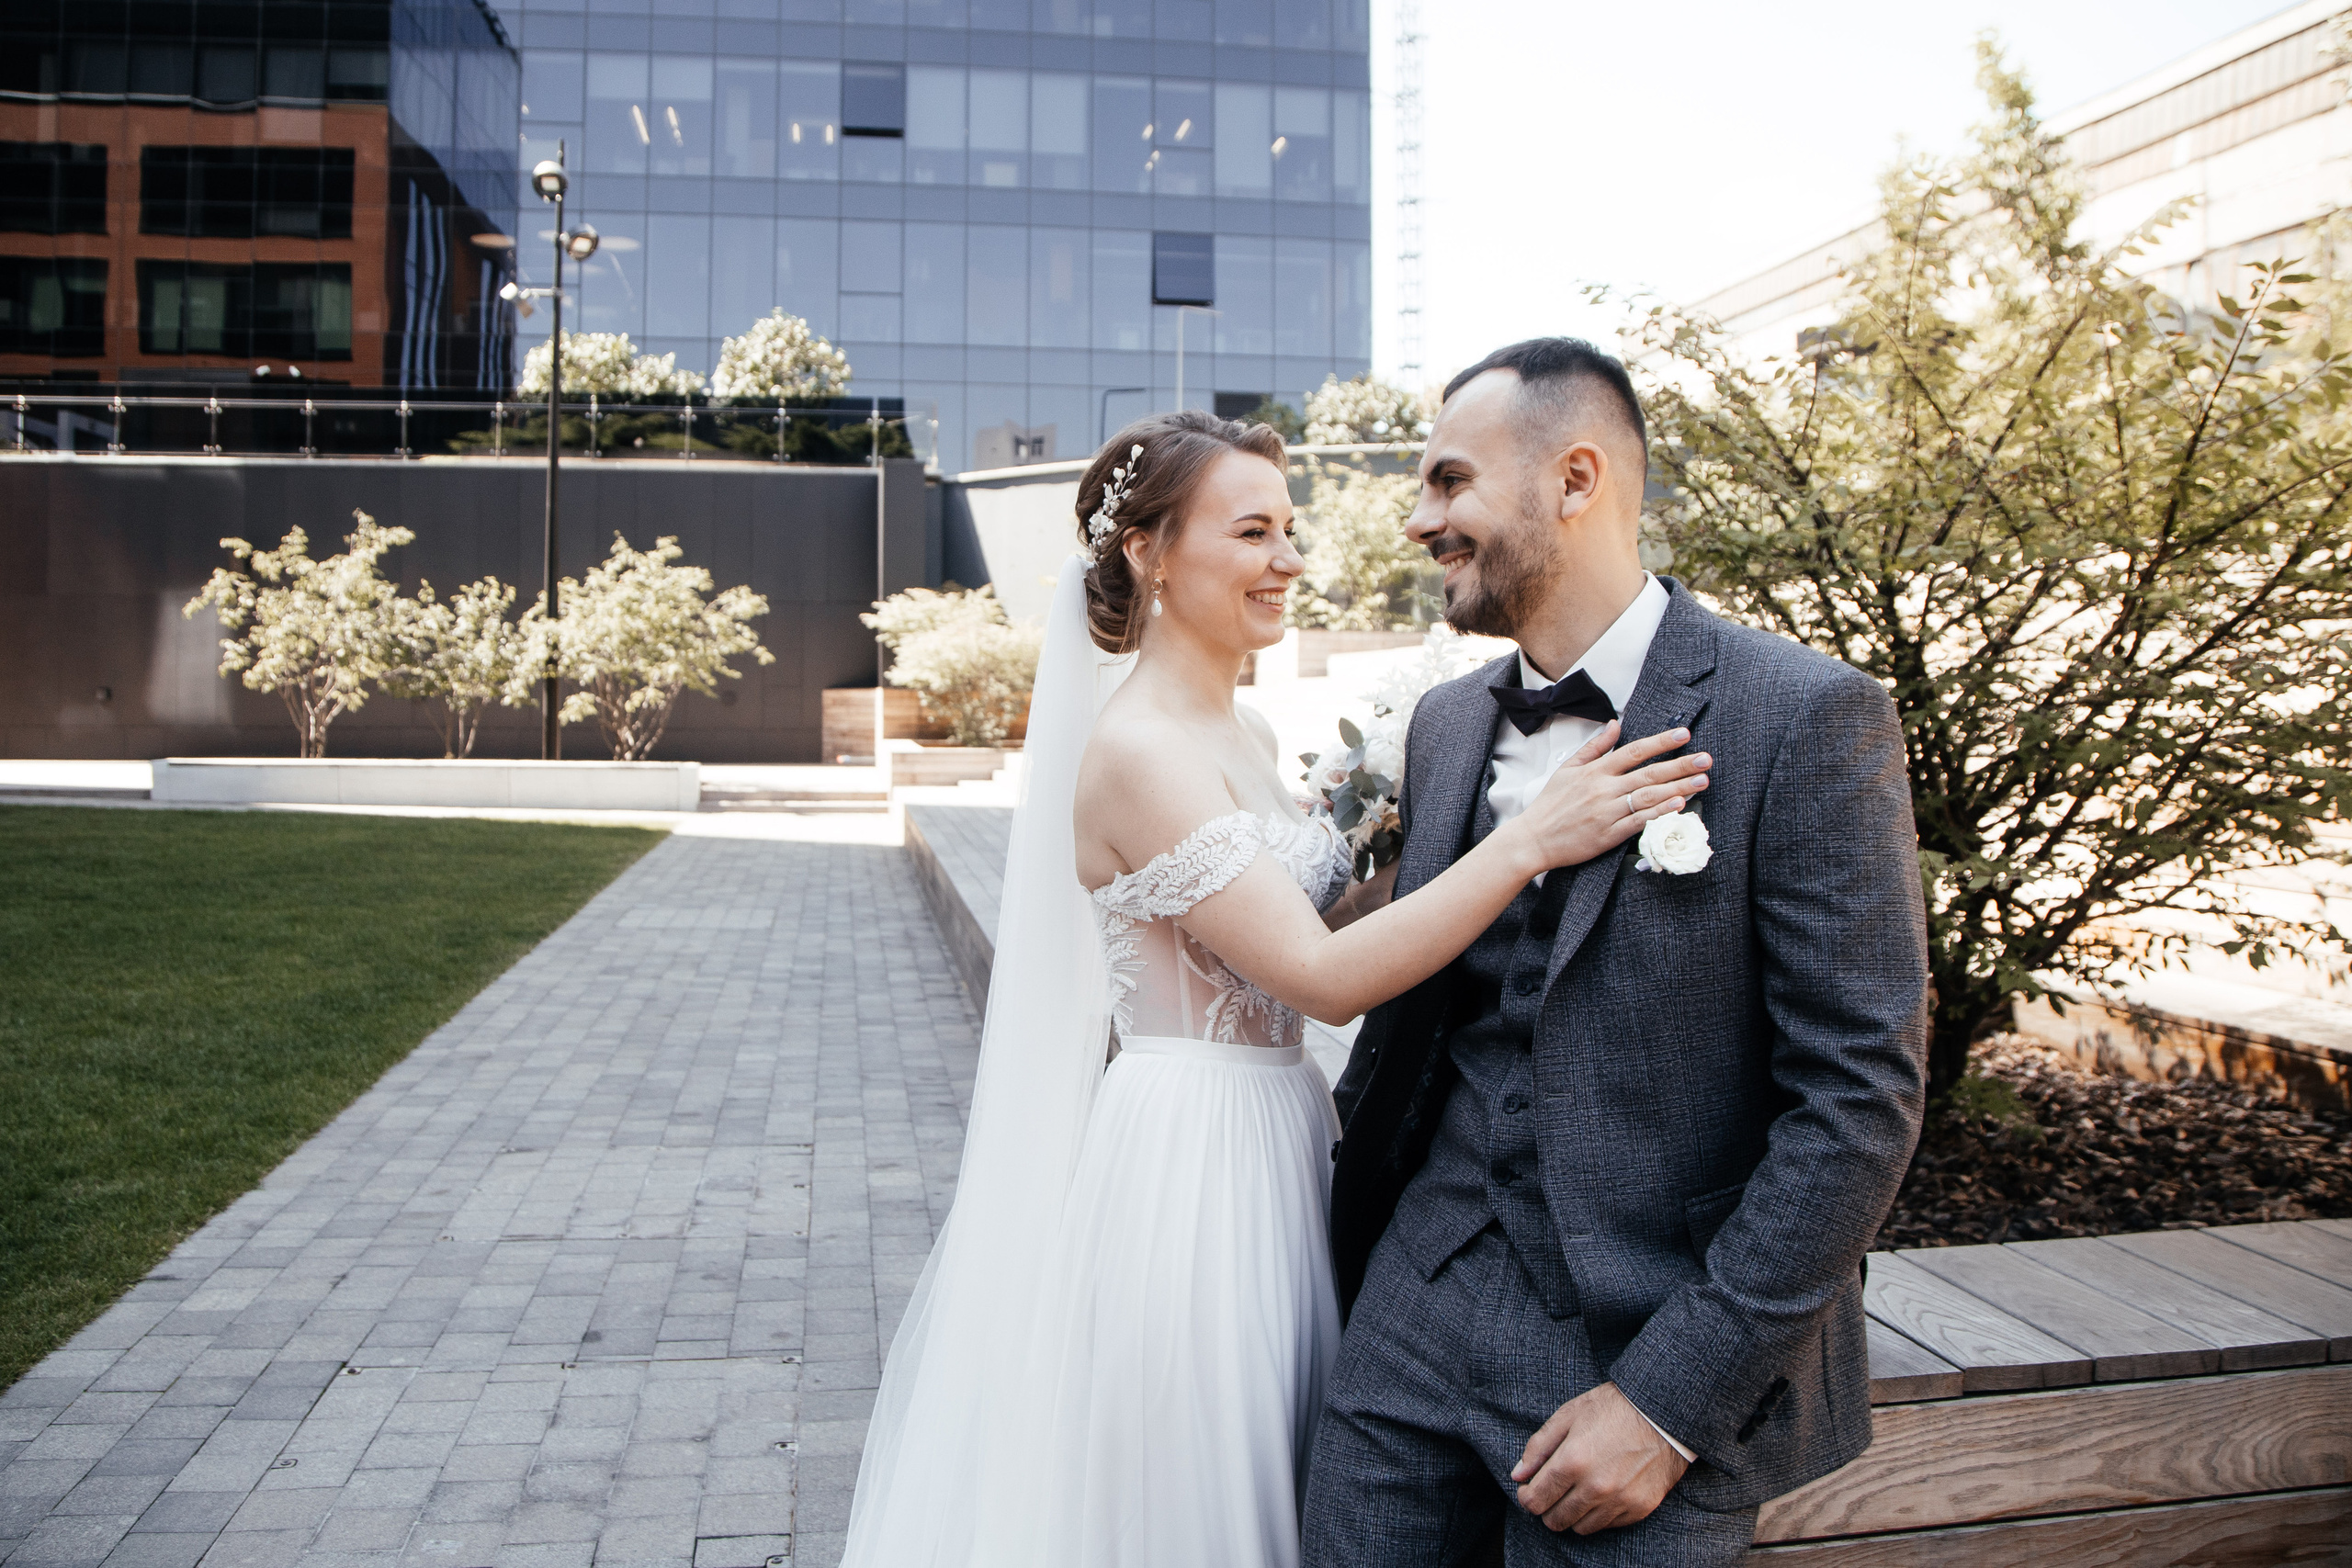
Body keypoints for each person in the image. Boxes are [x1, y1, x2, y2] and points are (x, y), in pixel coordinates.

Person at [838, 408, 1711, 1568]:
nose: (1289, 560)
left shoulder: (1240, 724)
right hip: (1192, 1155)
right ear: (1148, 550)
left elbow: (1296, 927)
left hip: (1282, 1126)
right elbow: (1322, 978)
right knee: (1204, 1481)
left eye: (1288, 530)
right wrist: (1528, 839)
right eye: (1252, 533)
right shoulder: (1138, 751)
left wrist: (1417, 840)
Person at [1301, 338, 1931, 1566]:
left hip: (1645, 1342)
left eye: (1449, 481)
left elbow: (1859, 1098)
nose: (1419, 519)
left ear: (1576, 479)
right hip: (1407, 1312)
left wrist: (1669, 1403)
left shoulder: (1803, 715)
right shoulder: (1447, 723)